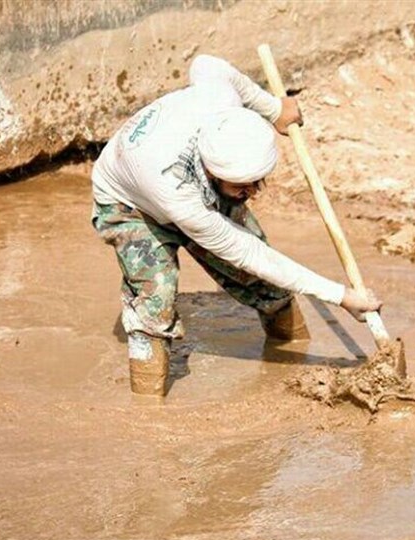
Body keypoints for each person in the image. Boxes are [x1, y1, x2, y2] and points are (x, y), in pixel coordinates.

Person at [92, 55, 381, 397]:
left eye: (258, 181)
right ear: (214, 172)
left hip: (181, 179)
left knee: (266, 281)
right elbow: (247, 253)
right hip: (130, 203)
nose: (253, 192)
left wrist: (273, 109)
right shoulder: (175, 191)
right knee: (155, 300)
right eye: (242, 187)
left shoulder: (220, 102)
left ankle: (291, 342)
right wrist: (341, 296)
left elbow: (206, 64)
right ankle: (147, 407)